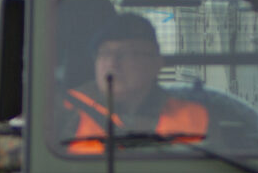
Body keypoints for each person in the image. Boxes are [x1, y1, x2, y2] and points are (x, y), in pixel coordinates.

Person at [59, 15, 208, 154]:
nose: (112, 63)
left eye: (128, 53)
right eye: (104, 53)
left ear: (157, 64)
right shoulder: (64, 110)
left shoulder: (196, 117)